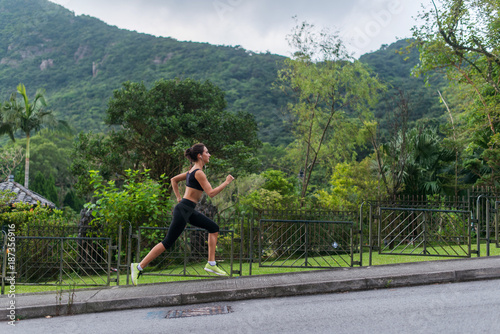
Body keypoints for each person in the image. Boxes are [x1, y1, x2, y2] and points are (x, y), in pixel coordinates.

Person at [130, 143, 234, 285]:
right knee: (167, 242)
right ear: (200, 156)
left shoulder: (191, 172)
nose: (209, 155)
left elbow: (173, 179)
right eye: (207, 152)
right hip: (184, 210)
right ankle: (138, 266)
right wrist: (226, 182)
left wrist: (179, 197)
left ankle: (211, 263)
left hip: (187, 209)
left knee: (213, 228)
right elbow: (211, 193)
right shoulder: (198, 173)